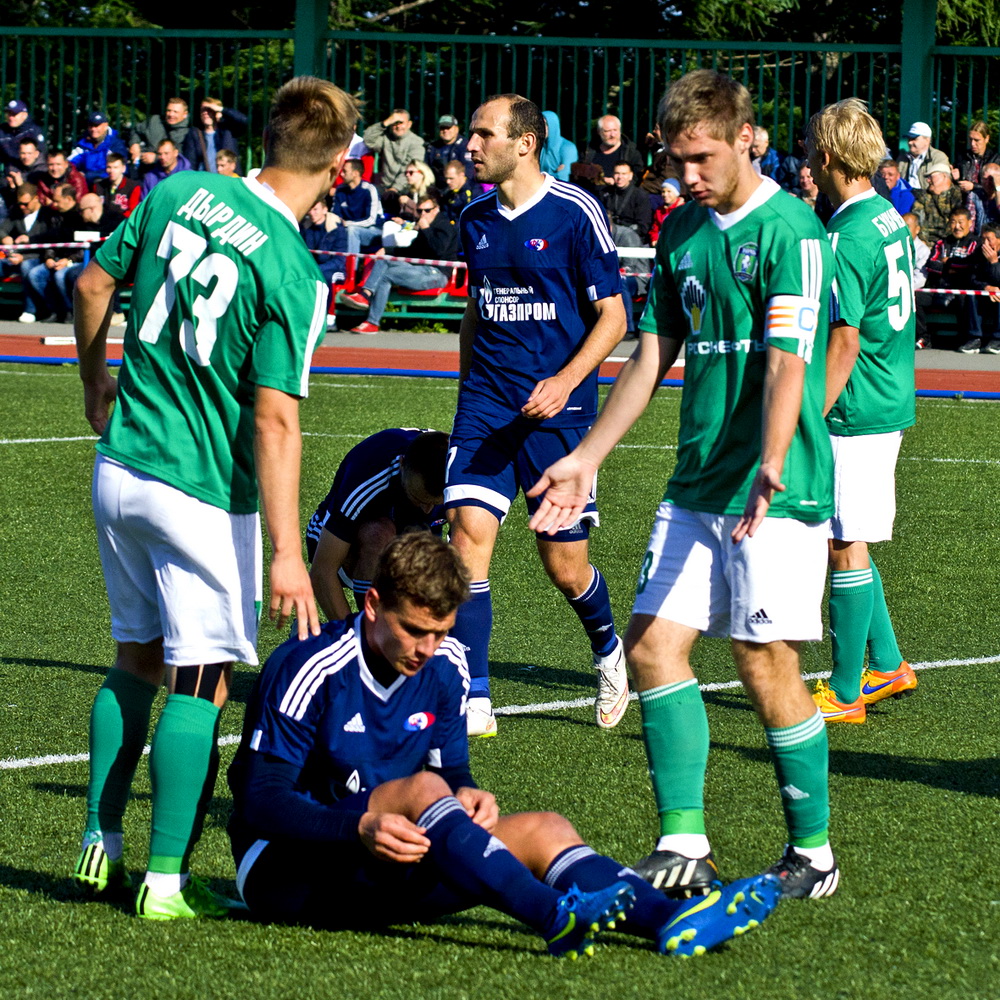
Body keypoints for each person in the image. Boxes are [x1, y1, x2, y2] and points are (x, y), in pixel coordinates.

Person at [528, 69, 840, 901]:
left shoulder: (793, 232)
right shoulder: (682, 232)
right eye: (676, 160)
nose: (687, 175)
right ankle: (683, 844)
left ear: (746, 139)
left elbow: (788, 362)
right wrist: (587, 456)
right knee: (651, 647)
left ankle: (814, 853)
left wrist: (772, 458)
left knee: (762, 661)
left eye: (701, 158)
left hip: (778, 491)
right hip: (695, 484)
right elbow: (652, 354)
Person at [69, 75, 358, 920]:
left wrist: (94, 382)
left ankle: (100, 839)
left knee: (133, 659)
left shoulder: (179, 189)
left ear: (267, 137)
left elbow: (90, 287)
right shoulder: (294, 270)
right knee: (200, 682)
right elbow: (274, 420)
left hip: (121, 466)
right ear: (340, 165)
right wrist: (288, 554)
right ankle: (164, 881)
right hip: (200, 491)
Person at [226, 531, 781, 954]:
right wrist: (361, 827)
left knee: (545, 829)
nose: (426, 648)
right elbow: (259, 803)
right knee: (422, 791)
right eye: (413, 629)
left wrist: (467, 793)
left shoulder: (446, 664)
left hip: (384, 863)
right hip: (286, 870)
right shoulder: (310, 666)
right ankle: (554, 917)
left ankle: (669, 919)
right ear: (372, 605)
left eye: (440, 631)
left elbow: (450, 774)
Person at [446, 94, 629, 738]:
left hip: (559, 414)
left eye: (483, 134)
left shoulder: (576, 212)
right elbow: (476, 310)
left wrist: (565, 380)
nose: (470, 145)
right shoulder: (473, 217)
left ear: (525, 144)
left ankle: (608, 649)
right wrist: (468, 392)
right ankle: (475, 695)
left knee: (565, 567)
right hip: (486, 407)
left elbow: (615, 317)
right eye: (471, 134)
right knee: (466, 535)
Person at [804, 98, 918, 723]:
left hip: (857, 405)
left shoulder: (846, 234)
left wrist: (810, 414)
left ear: (826, 157)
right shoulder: (886, 215)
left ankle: (846, 691)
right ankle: (889, 664)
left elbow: (844, 340)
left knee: (843, 543)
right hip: (886, 391)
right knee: (852, 538)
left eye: (810, 150)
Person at [305, 428, 448, 620]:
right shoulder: (369, 472)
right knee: (378, 533)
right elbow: (322, 571)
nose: (428, 510)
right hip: (338, 545)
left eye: (435, 503)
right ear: (401, 465)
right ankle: (370, 627)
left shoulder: (462, 483)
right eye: (419, 499)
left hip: (408, 536)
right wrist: (354, 635)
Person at [337, 192, 458, 335]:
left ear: (436, 209)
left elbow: (438, 250)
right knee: (385, 260)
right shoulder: (426, 226)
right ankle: (365, 295)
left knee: (386, 276)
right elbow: (412, 252)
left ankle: (372, 321)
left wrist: (426, 229)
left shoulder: (444, 226)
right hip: (420, 269)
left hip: (437, 274)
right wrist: (387, 250)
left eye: (427, 210)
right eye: (420, 211)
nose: (423, 214)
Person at [0, 182, 61, 323]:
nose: (22, 207)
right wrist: (4, 237)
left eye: (25, 204)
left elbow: (48, 245)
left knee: (27, 266)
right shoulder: (16, 212)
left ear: (36, 198)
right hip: (15, 256)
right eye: (20, 204)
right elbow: (2, 229)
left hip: (38, 257)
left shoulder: (47, 216)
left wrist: (24, 257)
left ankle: (30, 309)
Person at [363, 108, 426, 194]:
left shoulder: (416, 142)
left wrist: (395, 188)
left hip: (406, 189)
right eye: (394, 123)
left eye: (401, 123)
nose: (398, 126)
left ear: (409, 124)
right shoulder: (385, 139)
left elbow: (411, 169)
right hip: (384, 187)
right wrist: (385, 123)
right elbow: (367, 140)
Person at [332, 157, 383, 255]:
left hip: (373, 231)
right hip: (347, 228)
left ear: (355, 173)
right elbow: (335, 215)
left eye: (345, 171)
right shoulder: (340, 190)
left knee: (352, 231)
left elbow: (371, 220)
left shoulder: (369, 190)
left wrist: (347, 224)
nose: (341, 174)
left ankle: (351, 264)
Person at [128, 97, 191, 176]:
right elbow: (136, 130)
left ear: (185, 114)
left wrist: (157, 158)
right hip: (143, 171)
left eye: (175, 112)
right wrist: (134, 144)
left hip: (169, 175)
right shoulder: (154, 121)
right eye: (169, 110)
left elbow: (182, 157)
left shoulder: (187, 133)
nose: (171, 114)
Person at [182, 97, 247, 173]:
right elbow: (191, 162)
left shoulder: (228, 130)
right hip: (205, 178)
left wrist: (222, 110)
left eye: (209, 109)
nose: (205, 112)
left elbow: (243, 120)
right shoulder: (195, 133)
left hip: (228, 177)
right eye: (203, 110)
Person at [69, 112, 129, 184]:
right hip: (85, 182)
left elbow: (116, 169)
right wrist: (76, 174)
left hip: (107, 183)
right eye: (91, 126)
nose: (93, 129)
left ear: (106, 125)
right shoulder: (83, 143)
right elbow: (71, 163)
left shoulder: (115, 144)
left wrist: (88, 176)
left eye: (97, 126)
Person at [583, 115, 644, 183]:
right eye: (607, 131)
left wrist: (618, 183)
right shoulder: (588, 151)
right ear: (599, 132)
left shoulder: (631, 153)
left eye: (615, 130)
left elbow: (637, 179)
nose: (612, 135)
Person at [913, 164, 962, 247]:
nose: (928, 180)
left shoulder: (957, 195)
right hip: (928, 243)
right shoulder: (924, 197)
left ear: (944, 176)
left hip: (950, 243)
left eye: (931, 177)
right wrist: (924, 242)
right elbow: (919, 220)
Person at [602, 161, 651, 241]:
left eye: (624, 174)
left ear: (630, 176)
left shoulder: (640, 196)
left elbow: (643, 227)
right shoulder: (606, 194)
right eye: (617, 173)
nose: (620, 177)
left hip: (632, 239)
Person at [897, 121, 949, 192]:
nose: (910, 142)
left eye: (914, 139)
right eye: (909, 139)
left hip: (928, 196)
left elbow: (941, 185)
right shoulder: (902, 158)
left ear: (927, 140)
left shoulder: (938, 157)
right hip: (905, 195)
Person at [427, 113, 473, 187]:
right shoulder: (433, 147)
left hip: (460, 188)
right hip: (437, 187)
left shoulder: (465, 146)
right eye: (442, 128)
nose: (445, 131)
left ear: (456, 129)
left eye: (448, 128)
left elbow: (469, 172)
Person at [0, 98, 47, 171]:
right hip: (10, 171)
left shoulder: (33, 130)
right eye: (9, 113)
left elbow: (41, 156)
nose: (11, 117)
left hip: (33, 172)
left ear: (24, 115)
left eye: (14, 114)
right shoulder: (2, 130)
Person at [539, 110, 578, 182]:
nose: (541, 128)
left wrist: (540, 176)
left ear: (552, 125)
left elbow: (563, 178)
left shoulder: (568, 148)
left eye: (545, 124)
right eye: (539, 124)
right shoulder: (539, 147)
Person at [439, 158, 476, 224]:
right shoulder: (448, 193)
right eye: (446, 178)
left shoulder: (474, 192)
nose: (448, 182)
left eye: (451, 178)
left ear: (461, 175)